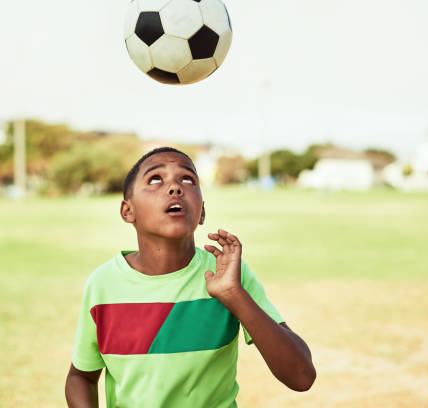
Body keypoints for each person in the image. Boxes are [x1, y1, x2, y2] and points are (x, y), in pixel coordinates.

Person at [65, 147, 316, 408]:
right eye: (155, 179)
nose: (175, 188)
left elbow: (301, 377)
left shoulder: (229, 273)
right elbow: (81, 377)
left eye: (188, 179)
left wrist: (234, 295)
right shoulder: (103, 284)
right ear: (128, 211)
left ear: (202, 211)